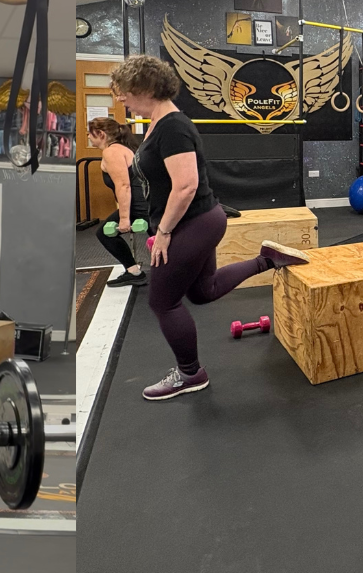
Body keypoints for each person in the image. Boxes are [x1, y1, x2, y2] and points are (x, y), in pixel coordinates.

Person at [109, 54, 313, 401]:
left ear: (144, 87)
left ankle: (191, 374)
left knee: (162, 302)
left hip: (193, 223)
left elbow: (185, 186)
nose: (121, 99)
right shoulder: (158, 124)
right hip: (197, 221)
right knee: (202, 291)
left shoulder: (172, 126)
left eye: (125, 91)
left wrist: (165, 232)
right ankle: (266, 259)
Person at [88, 116, 150, 287]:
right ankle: (134, 272)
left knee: (105, 234)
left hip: (140, 206)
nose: (88, 136)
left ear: (100, 134)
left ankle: (136, 272)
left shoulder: (112, 152)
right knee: (162, 241)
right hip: (144, 203)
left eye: (90, 133)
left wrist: (124, 219)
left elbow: (124, 186)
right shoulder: (121, 148)